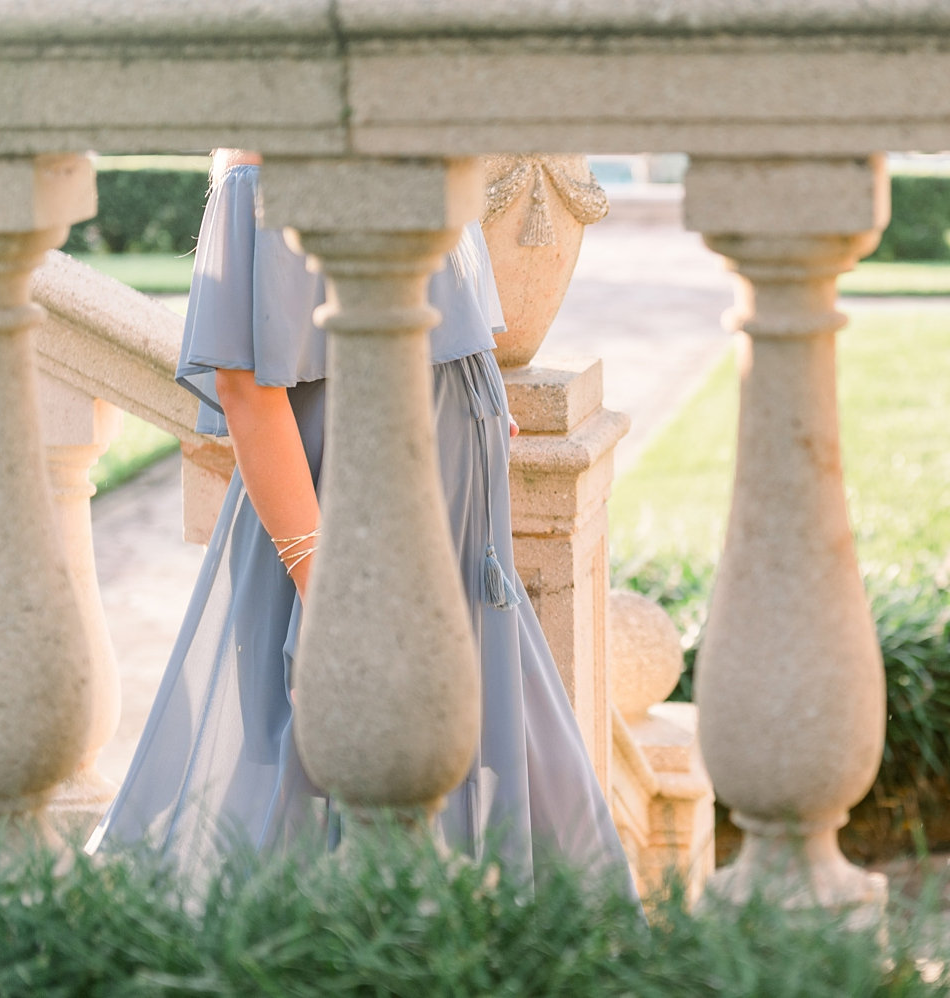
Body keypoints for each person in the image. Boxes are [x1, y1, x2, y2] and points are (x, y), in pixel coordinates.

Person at [87, 150, 632, 892]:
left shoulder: (406, 131)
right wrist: (329, 588)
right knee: (334, 782)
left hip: (451, 528)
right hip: (353, 539)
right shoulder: (268, 159)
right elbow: (247, 394)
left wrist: (480, 405)